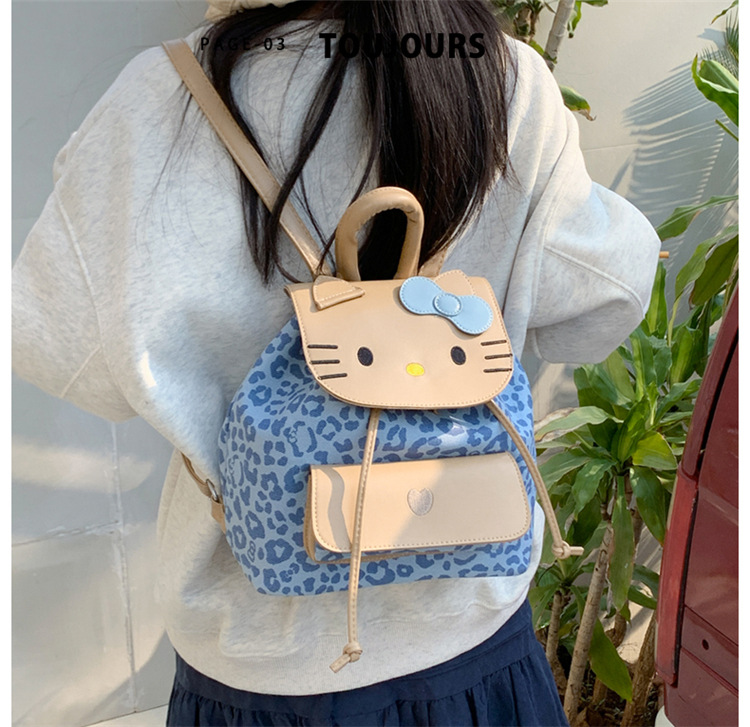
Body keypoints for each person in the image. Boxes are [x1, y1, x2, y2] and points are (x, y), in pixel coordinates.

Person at [11, 0, 661, 724]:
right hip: (471, 647)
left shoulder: (162, 98)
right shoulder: (503, 81)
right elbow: (607, 301)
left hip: (254, 661)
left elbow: (62, 351)